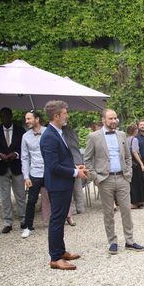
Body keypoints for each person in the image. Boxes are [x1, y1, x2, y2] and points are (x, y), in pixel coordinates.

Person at [84, 109, 144, 255]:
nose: (114, 121)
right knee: (108, 212)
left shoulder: (122, 135)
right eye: (111, 118)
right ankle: (112, 242)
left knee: (126, 210)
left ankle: (129, 241)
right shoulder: (93, 137)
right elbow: (87, 159)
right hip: (105, 179)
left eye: (115, 118)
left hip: (122, 178)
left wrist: (128, 173)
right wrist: (95, 178)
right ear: (103, 120)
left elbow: (128, 156)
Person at [40, 100, 86, 271]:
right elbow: (53, 166)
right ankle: (55, 258)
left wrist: (74, 167)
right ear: (56, 116)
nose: (67, 115)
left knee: (59, 219)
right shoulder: (49, 136)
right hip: (58, 185)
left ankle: (61, 250)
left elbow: (61, 160)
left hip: (63, 183)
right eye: (65, 113)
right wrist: (75, 173)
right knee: (57, 220)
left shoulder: (58, 132)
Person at [0, 107, 26, 233]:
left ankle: (23, 219)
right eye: (2, 117)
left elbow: (24, 148)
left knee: (20, 195)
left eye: (6, 116)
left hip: (17, 167)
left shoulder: (20, 130)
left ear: (11, 117)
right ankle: (8, 222)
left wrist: (16, 154)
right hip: (1, 167)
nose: (4, 119)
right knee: (4, 196)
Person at [20, 110, 47, 238]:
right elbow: (24, 158)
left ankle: (57, 222)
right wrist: (26, 176)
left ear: (37, 119)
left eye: (29, 119)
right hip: (34, 173)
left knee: (55, 198)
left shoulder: (48, 132)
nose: (27, 121)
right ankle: (28, 226)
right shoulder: (25, 136)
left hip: (49, 172)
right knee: (31, 200)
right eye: (26, 119)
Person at [62, 123, 86, 219]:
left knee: (70, 188)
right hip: (78, 159)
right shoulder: (73, 132)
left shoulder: (61, 134)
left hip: (70, 161)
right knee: (78, 187)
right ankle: (81, 208)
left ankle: (73, 209)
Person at [126, 125, 144, 209]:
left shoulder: (126, 139)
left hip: (129, 163)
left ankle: (133, 201)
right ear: (134, 131)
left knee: (133, 183)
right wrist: (141, 163)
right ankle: (138, 201)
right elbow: (135, 152)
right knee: (138, 182)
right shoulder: (134, 139)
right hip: (135, 163)